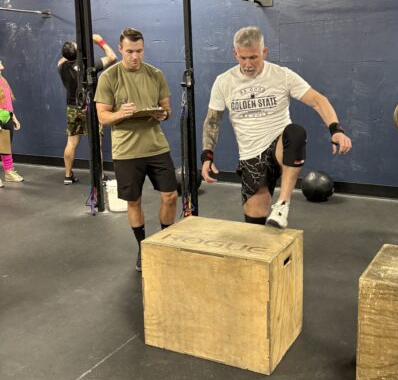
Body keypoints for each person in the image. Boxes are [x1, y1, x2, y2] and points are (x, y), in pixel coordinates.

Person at [201, 26, 352, 229]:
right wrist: (207, 155)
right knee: (255, 224)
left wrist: (336, 130)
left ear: (264, 52)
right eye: (243, 58)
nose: (247, 64)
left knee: (295, 132)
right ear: (235, 54)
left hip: (280, 145)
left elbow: (318, 100)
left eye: (253, 57)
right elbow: (213, 121)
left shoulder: (282, 75)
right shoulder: (224, 81)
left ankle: (282, 204)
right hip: (251, 154)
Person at [95, 27, 177, 272]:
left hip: (156, 146)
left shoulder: (155, 74)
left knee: (171, 196)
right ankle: (143, 248)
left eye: (139, 51)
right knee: (134, 201)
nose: (135, 56)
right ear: (120, 49)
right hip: (127, 150)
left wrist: (162, 114)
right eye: (130, 51)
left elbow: (167, 109)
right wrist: (121, 113)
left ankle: (163, 243)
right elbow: (102, 117)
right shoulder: (109, 77)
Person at [58, 34, 117, 184]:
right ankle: (100, 176)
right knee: (96, 144)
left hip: (73, 107)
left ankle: (68, 176)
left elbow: (66, 57)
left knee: (71, 142)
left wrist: (76, 49)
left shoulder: (61, 66)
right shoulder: (89, 67)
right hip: (90, 108)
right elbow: (112, 57)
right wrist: (100, 41)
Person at [0, 58, 23, 186]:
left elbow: (7, 102)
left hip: (6, 117)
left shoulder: (3, 80)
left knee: (6, 146)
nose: (1, 62)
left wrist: (13, 117)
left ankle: (9, 172)